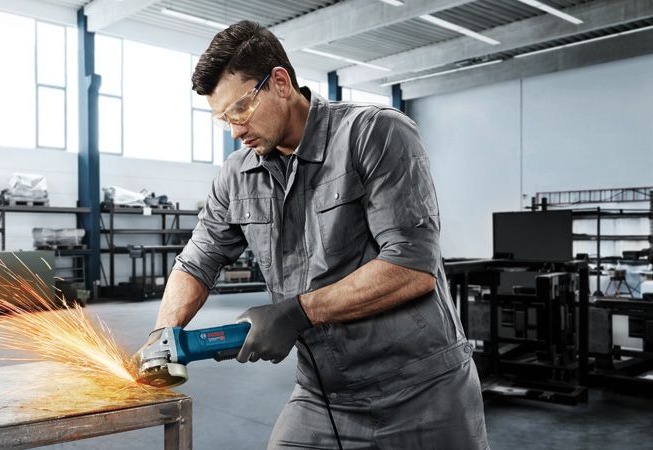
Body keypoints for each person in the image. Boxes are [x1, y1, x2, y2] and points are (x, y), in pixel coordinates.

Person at [137, 20, 489, 449]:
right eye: (222, 119)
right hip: (324, 394)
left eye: (240, 110)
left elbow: (411, 266)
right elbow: (197, 261)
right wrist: (162, 336)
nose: (234, 130)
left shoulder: (372, 134)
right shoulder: (236, 176)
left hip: (423, 391)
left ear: (280, 83)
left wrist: (297, 312)